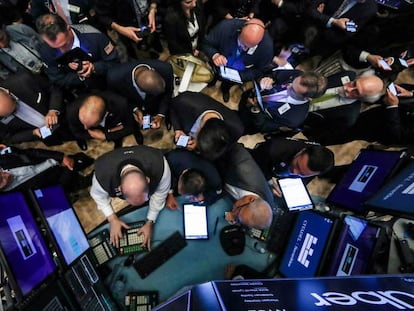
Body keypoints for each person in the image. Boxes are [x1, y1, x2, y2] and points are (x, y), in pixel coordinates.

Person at [90, 145, 171, 249]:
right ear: (120, 189)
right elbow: (98, 196)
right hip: (108, 163)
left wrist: (150, 221)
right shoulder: (101, 176)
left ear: (148, 180)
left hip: (149, 156)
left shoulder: (161, 167)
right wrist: (112, 218)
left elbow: (160, 195)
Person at [36, 13, 119, 92]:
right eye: (55, 47)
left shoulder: (94, 36)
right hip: (79, 91)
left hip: (108, 81)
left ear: (68, 28)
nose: (62, 51)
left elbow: (114, 62)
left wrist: (94, 67)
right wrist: (80, 77)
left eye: (65, 44)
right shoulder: (45, 49)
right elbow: (57, 78)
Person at [202, 18, 273, 102]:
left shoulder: (267, 47)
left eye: (250, 47)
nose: (245, 49)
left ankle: (225, 90)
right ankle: (211, 82)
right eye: (243, 44)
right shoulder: (225, 27)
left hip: (237, 75)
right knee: (212, 78)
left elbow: (260, 70)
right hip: (217, 65)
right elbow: (206, 43)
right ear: (239, 31)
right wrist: (215, 55)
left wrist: (242, 76)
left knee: (227, 85)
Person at [303, 71, 384, 145]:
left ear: (363, 98)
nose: (348, 89)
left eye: (356, 92)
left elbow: (319, 133)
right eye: (354, 84)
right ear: (358, 78)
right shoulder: (348, 75)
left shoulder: (349, 117)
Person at [238, 70, 327, 134]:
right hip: (248, 96)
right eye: (293, 82)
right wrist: (269, 79)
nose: (288, 86)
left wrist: (256, 110)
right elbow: (275, 74)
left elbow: (263, 127)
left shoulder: (294, 118)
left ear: (308, 98)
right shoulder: (297, 74)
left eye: (293, 90)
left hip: (249, 122)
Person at [0, 72, 73, 145]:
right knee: (69, 137)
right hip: (49, 135)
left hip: (66, 115)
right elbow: (9, 137)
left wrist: (53, 110)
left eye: (14, 106)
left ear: (7, 92)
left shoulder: (25, 80)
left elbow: (55, 88)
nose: (16, 111)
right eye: (12, 113)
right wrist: (32, 133)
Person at [215, 143, 275, 229]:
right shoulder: (240, 163)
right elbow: (230, 145)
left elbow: (247, 219)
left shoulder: (265, 209)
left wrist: (235, 219)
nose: (234, 214)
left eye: (239, 219)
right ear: (250, 199)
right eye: (238, 212)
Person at [169, 91, 244, 159]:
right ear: (199, 128)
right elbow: (171, 106)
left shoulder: (237, 129)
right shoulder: (185, 101)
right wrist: (178, 129)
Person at [249, 136, 334, 195]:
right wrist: (268, 182)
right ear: (301, 151)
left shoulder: (319, 165)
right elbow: (255, 164)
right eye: (297, 165)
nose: (294, 172)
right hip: (262, 161)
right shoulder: (273, 149)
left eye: (302, 174)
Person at [106, 59, 173, 130]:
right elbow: (120, 99)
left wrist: (160, 114)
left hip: (157, 103)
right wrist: (136, 110)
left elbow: (168, 92)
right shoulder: (114, 78)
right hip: (136, 102)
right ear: (139, 89)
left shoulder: (166, 69)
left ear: (153, 70)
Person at [0, 144, 93, 193]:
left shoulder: (5, 160)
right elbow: (53, 192)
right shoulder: (17, 195)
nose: (6, 175)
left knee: (85, 158)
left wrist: (61, 157)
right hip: (60, 181)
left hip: (54, 161)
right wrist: (69, 170)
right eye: (2, 180)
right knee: (93, 179)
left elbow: (34, 153)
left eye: (1, 173)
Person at [66, 91, 143, 148]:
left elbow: (129, 127)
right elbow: (77, 133)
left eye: (90, 124)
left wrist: (107, 136)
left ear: (106, 113)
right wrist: (94, 135)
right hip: (103, 128)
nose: (85, 127)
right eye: (83, 122)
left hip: (115, 121)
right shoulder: (72, 111)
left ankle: (119, 138)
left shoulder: (120, 104)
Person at [304, 0, 378, 57]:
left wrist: (320, 17)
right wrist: (333, 22)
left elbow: (345, 35)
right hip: (303, 29)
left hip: (324, 45)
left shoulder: (370, 8)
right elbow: (309, 10)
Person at [94, 0, 163, 58]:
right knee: (135, 50)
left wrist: (153, 8)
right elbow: (102, 15)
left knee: (152, 38)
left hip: (148, 17)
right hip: (126, 25)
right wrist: (120, 28)